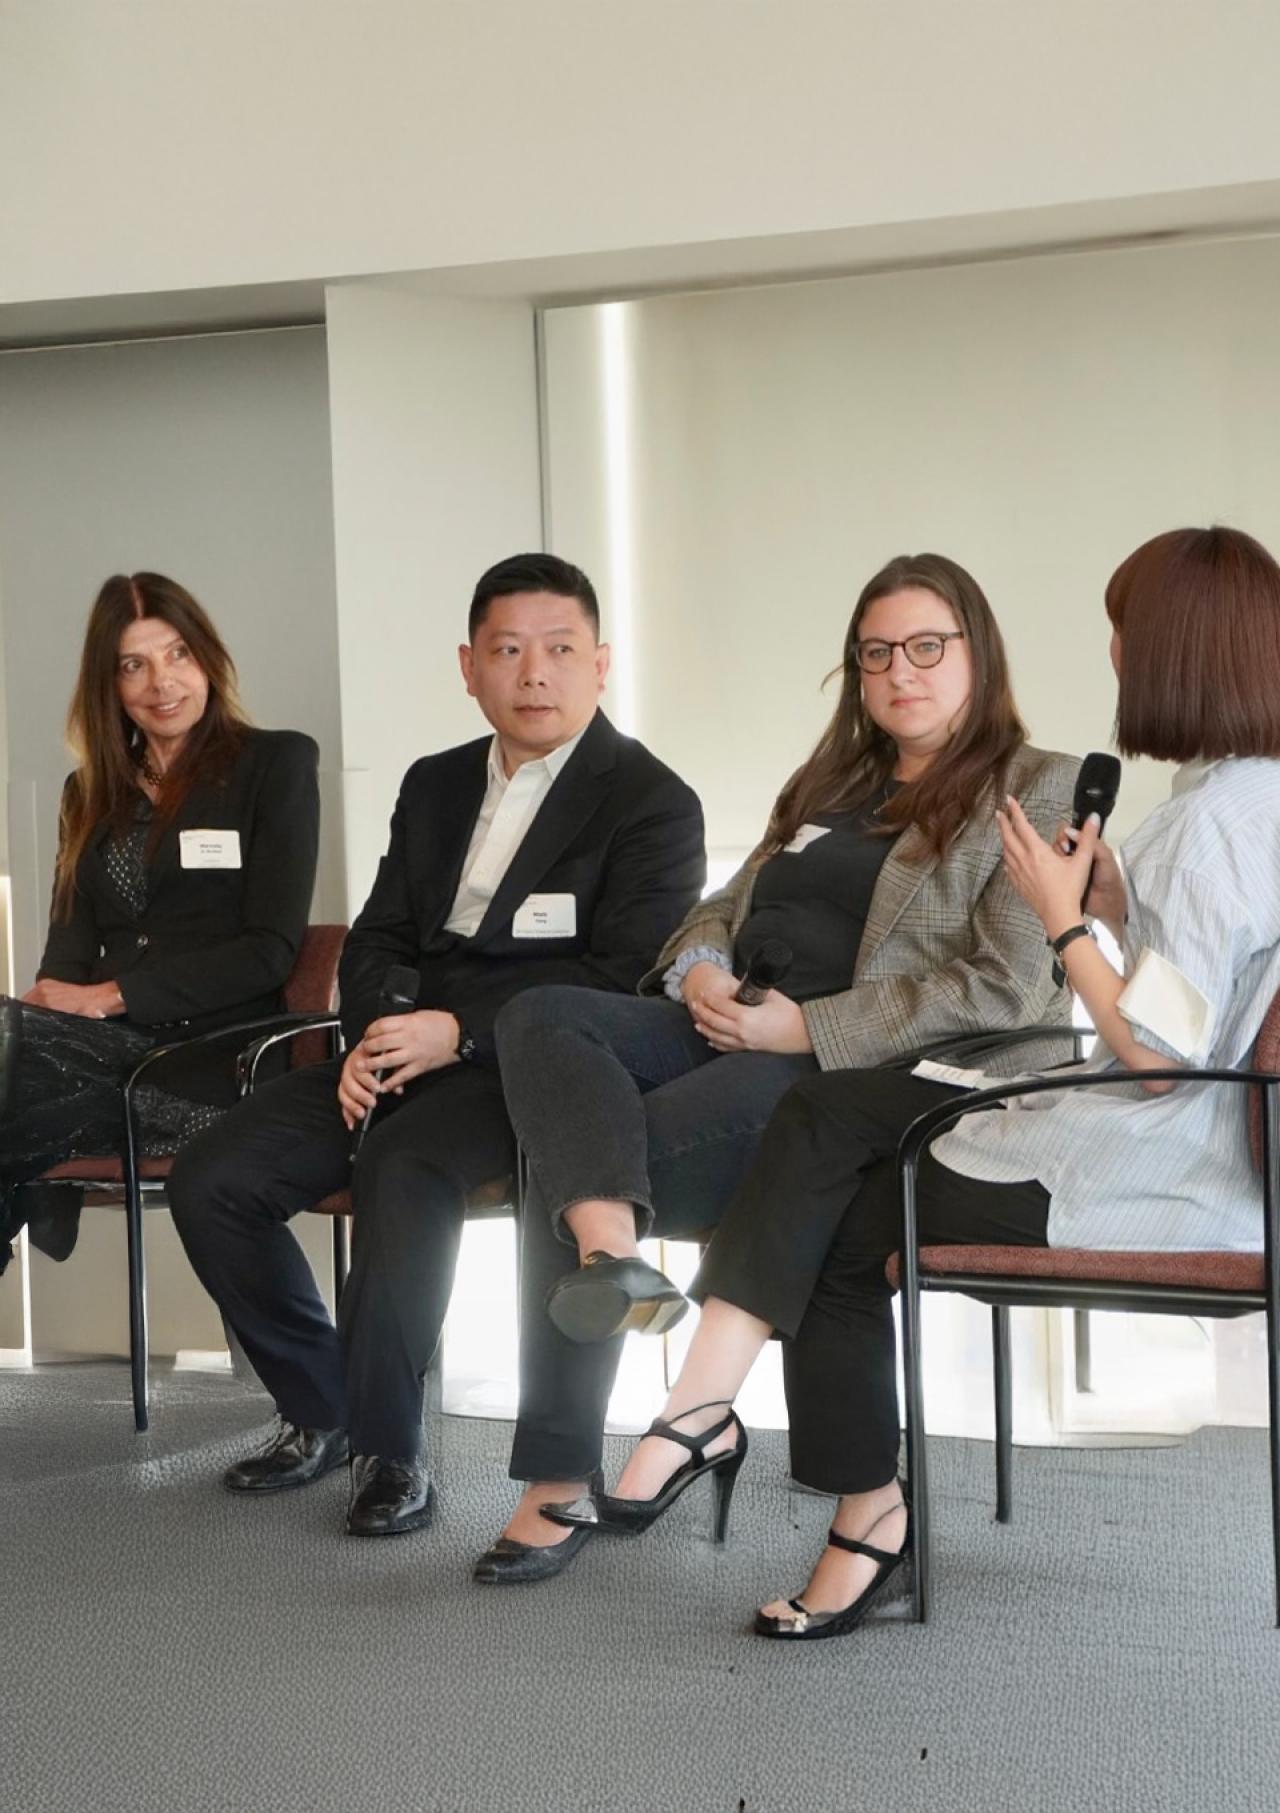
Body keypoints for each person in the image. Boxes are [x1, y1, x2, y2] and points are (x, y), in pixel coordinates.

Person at [548, 524, 1280, 1642]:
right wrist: (1113, 908)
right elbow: (1195, 999)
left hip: (1152, 1164)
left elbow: (1154, 1056)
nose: (1116, 655)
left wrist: (1066, 921)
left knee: (842, 1193)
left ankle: (810, 1481)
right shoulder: (1247, 803)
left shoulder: (1197, 824)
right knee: (832, 1135)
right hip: (1189, 1143)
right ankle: (732, 1433)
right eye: (876, 652)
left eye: (1125, 633)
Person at [475, 551, 1080, 1584]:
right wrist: (702, 968)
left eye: (925, 647)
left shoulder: (1035, 784)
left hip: (853, 1068)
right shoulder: (833, 780)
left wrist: (811, 1029)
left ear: (977, 653)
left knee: (566, 1156)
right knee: (539, 1018)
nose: (899, 671)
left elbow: (1005, 987)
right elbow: (725, 900)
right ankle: (610, 1253)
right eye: (875, 653)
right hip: (737, 1017)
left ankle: (556, 1473)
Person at [166, 552, 705, 1538]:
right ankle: (323, 1404)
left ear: (600, 663)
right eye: (507, 650)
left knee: (404, 1162)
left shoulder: (650, 800)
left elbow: (623, 976)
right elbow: (379, 934)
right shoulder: (436, 782)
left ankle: (391, 1450)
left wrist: (456, 1033)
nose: (533, 673)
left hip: (523, 1073)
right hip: (394, 1046)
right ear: (469, 666)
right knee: (212, 1176)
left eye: (559, 650)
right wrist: (376, 1035)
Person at [0, 572, 319, 1273]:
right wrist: (42, 1015)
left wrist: (110, 996)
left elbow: (269, 951)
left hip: (211, 1065)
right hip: (99, 1061)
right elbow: (67, 954)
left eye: (177, 654)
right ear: (109, 684)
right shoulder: (87, 793)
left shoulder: (275, 763)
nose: (161, 682)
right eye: (133, 665)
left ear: (208, 659)